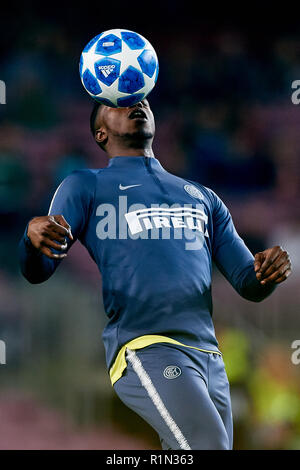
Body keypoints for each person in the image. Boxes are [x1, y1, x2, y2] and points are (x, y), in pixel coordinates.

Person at [18, 98, 292, 450]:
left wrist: (268, 272)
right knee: (205, 445)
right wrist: (31, 240)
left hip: (209, 356)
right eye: (119, 105)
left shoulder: (203, 197)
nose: (135, 105)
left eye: (141, 101)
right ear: (100, 133)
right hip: (147, 346)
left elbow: (248, 282)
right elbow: (38, 271)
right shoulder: (85, 185)